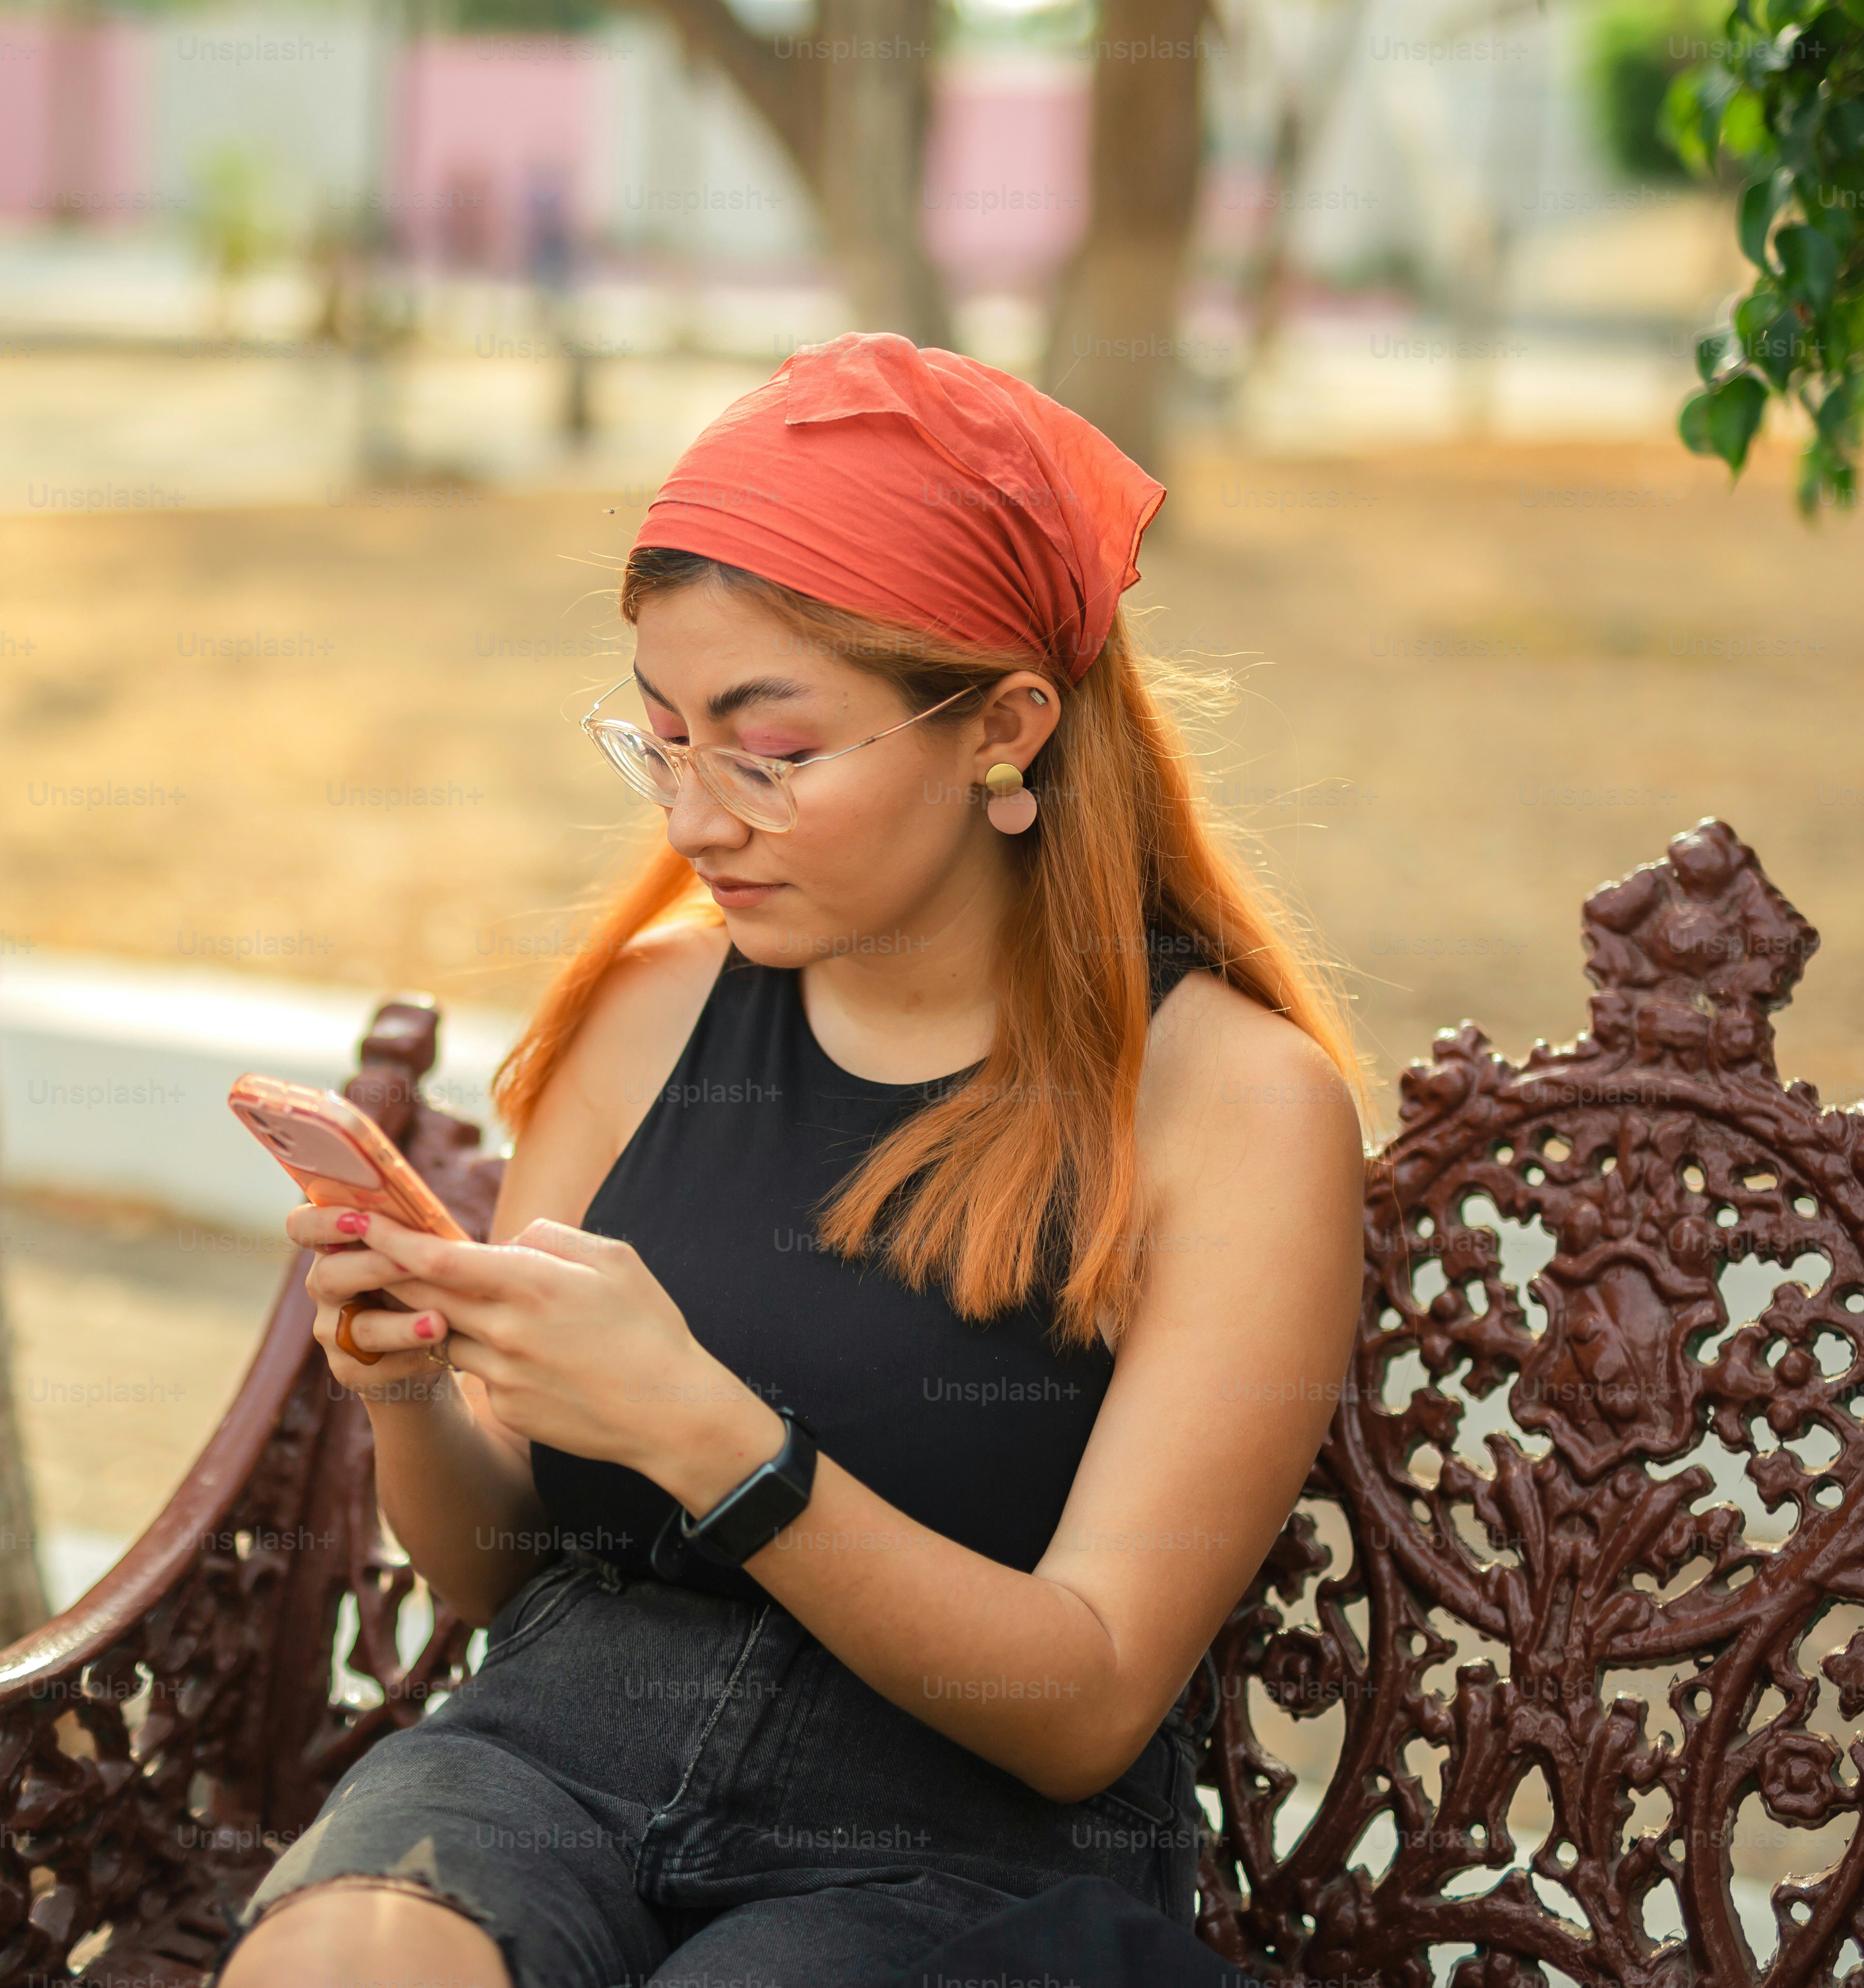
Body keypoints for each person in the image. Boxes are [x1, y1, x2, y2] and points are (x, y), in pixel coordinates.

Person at [215, 331, 1365, 1988]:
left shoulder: (1235, 1106)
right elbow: (490, 1575)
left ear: (1003, 730)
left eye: (770, 751)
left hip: (952, 1849)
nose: (693, 819)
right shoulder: (650, 1013)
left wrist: (715, 1440)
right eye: (661, 736)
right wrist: (401, 1381)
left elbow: (1091, 1699)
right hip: (547, 1756)